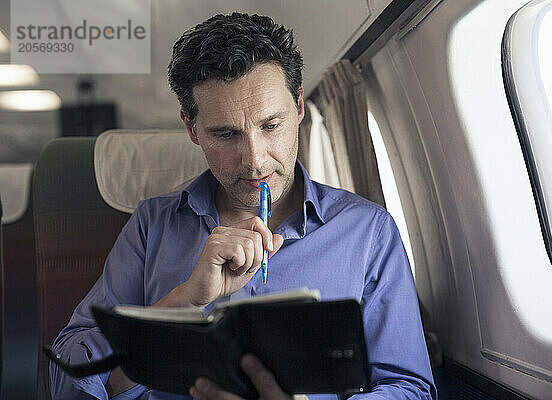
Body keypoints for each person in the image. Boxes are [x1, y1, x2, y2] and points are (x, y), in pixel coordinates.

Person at [50, 12, 436, 400]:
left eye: (271, 126)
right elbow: (66, 380)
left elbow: (411, 389)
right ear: (192, 128)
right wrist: (184, 302)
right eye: (226, 134)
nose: (254, 160)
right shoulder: (151, 225)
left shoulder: (369, 231)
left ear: (299, 106)